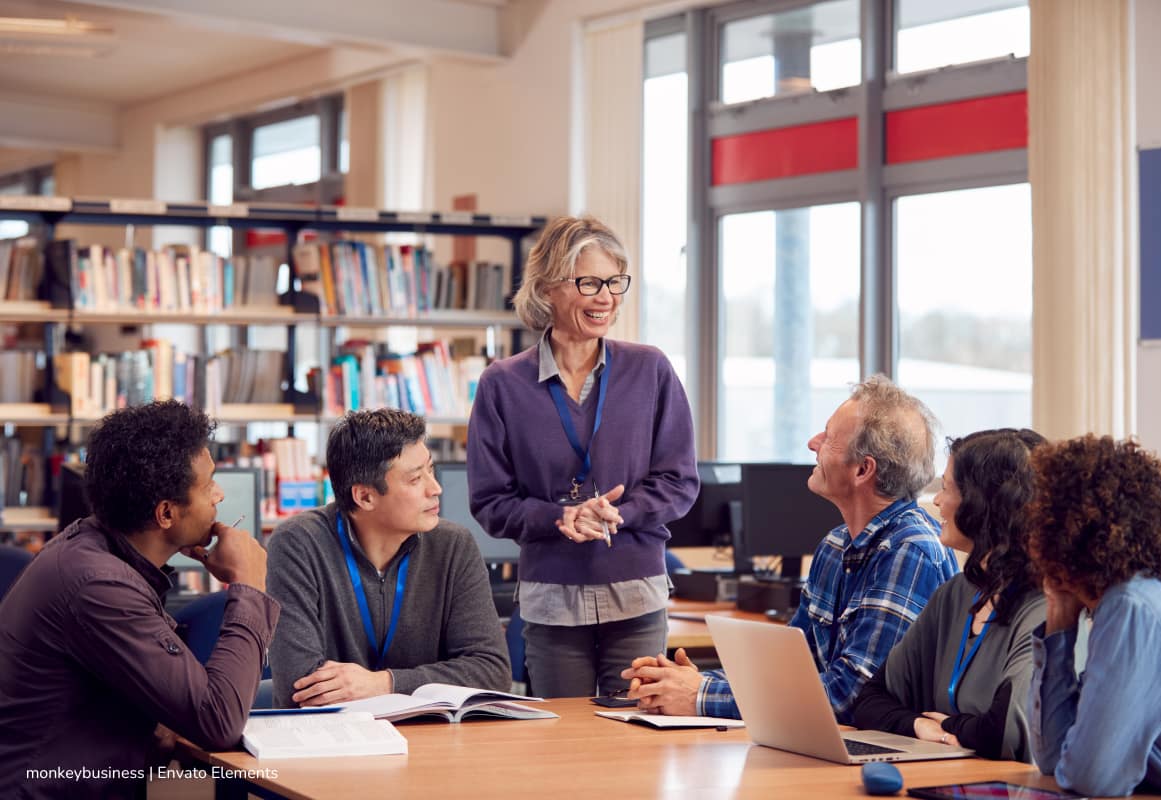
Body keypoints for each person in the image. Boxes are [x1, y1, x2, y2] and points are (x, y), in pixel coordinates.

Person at [625, 376, 958, 721]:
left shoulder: (910, 551)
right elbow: (794, 672)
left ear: (862, 470)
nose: (812, 442)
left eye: (828, 437)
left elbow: (849, 697)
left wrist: (701, 696)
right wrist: (688, 682)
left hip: (890, 756)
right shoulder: (834, 547)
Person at [467, 215, 699, 697]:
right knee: (564, 744)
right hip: (551, 597)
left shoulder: (650, 368)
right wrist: (561, 518)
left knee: (635, 736)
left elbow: (679, 481)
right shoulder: (502, 384)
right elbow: (490, 502)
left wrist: (618, 513)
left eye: (615, 282)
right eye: (589, 282)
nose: (606, 298)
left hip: (636, 590)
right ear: (548, 287)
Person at [0, 401, 277, 799]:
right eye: (208, 485)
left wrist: (158, 717)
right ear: (166, 513)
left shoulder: (96, 548)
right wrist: (248, 586)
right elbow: (219, 721)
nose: (218, 495)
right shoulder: (98, 584)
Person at [267, 408, 509, 708]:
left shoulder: (453, 546)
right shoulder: (298, 544)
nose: (436, 489)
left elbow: (492, 671)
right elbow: (300, 685)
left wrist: (384, 683)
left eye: (430, 470)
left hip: (430, 738)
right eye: (415, 479)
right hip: (332, 740)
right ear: (365, 497)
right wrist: (427, 683)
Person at [852, 428, 1047, 761]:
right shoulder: (956, 595)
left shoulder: (1046, 604)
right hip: (953, 779)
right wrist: (919, 725)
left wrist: (954, 726)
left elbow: (1008, 732)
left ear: (984, 504)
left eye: (946, 488)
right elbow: (869, 701)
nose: (938, 501)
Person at [1025, 435, 1161, 796]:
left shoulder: (1133, 608)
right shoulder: (1160, 588)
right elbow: (1054, 758)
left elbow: (1091, 777)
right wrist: (1059, 613)